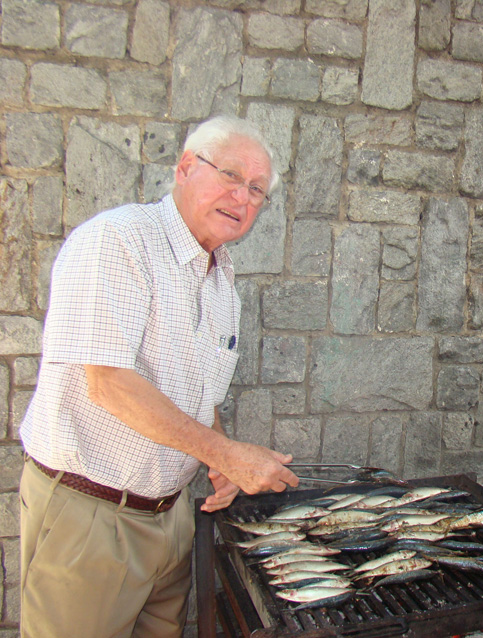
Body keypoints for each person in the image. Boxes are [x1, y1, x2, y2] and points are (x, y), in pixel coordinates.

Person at [19, 115, 300, 638]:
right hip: (92, 514)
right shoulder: (119, 241)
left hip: (172, 516)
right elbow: (106, 382)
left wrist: (220, 461)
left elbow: (202, 399)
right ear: (186, 167)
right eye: (231, 176)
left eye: (256, 190)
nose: (242, 197)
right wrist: (225, 454)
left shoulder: (222, 280)